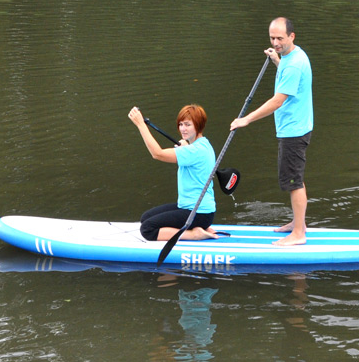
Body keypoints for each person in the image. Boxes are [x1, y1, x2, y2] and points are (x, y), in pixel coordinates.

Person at [230, 17, 313, 246]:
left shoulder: (294, 64)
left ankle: (298, 234)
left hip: (294, 131)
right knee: (294, 178)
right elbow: (288, 76)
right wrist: (277, 59)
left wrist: (246, 119)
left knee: (294, 181)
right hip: (294, 127)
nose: (275, 42)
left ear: (292, 36)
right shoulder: (290, 56)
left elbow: (277, 101)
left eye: (280, 39)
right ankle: (299, 223)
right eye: (272, 38)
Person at [127, 104, 220, 242]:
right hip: (196, 208)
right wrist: (187, 146)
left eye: (188, 125)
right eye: (181, 124)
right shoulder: (203, 144)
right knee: (146, 218)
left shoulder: (194, 151)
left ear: (199, 125)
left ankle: (194, 234)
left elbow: (157, 154)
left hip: (198, 212)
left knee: (147, 229)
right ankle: (202, 227)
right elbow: (191, 154)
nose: (183, 129)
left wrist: (141, 125)